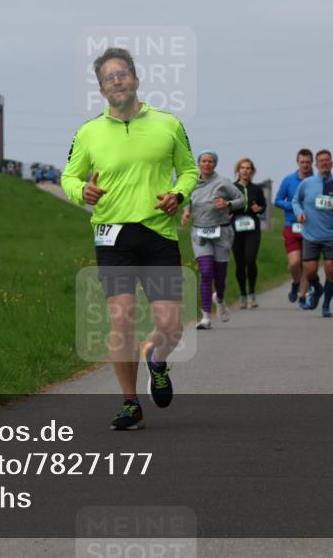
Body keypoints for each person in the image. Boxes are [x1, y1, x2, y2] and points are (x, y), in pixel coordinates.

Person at [61, 47, 198, 430]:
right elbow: (69, 176)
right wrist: (81, 192)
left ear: (136, 80)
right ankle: (130, 403)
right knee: (121, 320)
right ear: (101, 89)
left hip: (158, 234)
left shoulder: (168, 124)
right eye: (108, 77)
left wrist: (179, 195)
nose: (116, 81)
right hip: (113, 236)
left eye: (122, 74)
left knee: (170, 325)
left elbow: (189, 171)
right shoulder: (88, 132)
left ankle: (156, 357)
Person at [181, 150, 244, 328]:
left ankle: (220, 299)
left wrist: (227, 204)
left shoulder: (223, 182)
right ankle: (206, 317)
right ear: (199, 164)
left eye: (210, 161)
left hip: (222, 232)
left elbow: (241, 200)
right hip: (200, 232)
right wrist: (186, 211)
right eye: (204, 161)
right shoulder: (192, 183)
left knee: (219, 274)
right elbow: (187, 200)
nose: (207, 164)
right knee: (206, 270)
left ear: (215, 164)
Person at [292, 149, 333, 318]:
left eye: (327, 160)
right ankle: (318, 289)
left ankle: (326, 305)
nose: (324, 163)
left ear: (332, 164)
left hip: (331, 235)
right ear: (316, 164)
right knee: (310, 272)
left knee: (331, 270)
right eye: (321, 161)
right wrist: (299, 212)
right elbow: (296, 200)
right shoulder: (307, 183)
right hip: (310, 234)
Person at [274, 149, 314, 305]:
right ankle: (296, 282)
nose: (305, 165)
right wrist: (292, 206)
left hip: (311, 227)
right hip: (291, 225)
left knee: (307, 263)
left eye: (308, 162)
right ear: (298, 163)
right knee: (294, 262)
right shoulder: (288, 180)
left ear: (312, 163)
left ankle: (303, 295)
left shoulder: (317, 181)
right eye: (302, 162)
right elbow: (278, 200)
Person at [230, 157, 266, 309]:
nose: (245, 171)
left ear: (252, 171)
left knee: (250, 259)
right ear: (238, 170)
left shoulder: (256, 189)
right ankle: (242, 294)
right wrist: (227, 212)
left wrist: (259, 209)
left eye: (248, 168)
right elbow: (225, 206)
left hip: (252, 229)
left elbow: (263, 206)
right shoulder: (231, 188)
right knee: (239, 263)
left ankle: (252, 292)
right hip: (235, 229)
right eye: (242, 168)